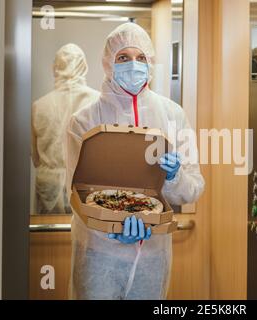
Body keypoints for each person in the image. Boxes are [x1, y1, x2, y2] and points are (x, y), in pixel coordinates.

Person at [65, 23, 205, 300]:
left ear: (151, 62)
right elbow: (74, 191)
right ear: (107, 63)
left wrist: (175, 177)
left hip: (153, 258)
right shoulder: (84, 121)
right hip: (98, 255)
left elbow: (194, 188)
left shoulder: (172, 115)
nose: (134, 65)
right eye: (123, 58)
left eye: (141, 57)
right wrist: (111, 230)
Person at [32, 44, 100, 214]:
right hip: (86, 186)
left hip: (49, 186)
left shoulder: (39, 106)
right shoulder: (98, 102)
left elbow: (36, 158)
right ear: (84, 65)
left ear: (55, 67)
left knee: (48, 237)